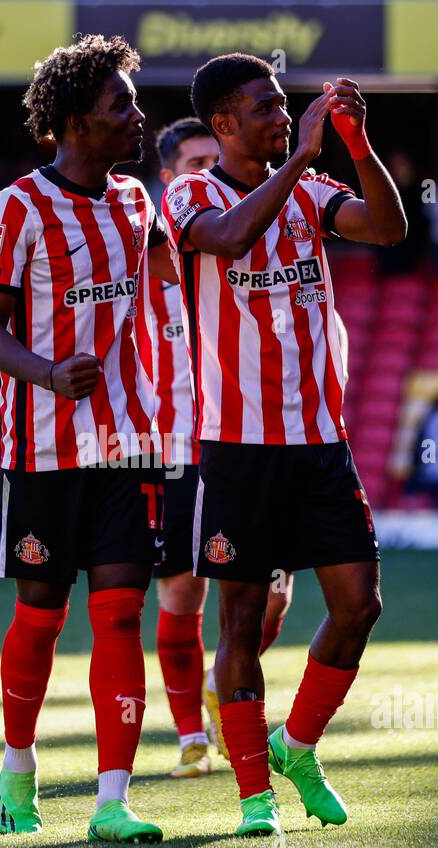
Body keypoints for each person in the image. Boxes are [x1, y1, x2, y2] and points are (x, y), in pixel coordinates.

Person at [161, 54, 405, 836]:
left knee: (359, 604)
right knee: (238, 623)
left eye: (283, 107)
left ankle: (297, 746)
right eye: (266, 108)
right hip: (237, 444)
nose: (280, 117)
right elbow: (230, 239)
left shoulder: (308, 189)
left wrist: (358, 148)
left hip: (318, 440)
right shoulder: (191, 192)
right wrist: (301, 152)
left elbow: (389, 229)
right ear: (224, 124)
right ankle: (254, 796)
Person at [0, 34, 180, 844]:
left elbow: (179, 273)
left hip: (127, 445)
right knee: (41, 619)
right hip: (45, 448)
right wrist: (51, 372)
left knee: (122, 614)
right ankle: (18, 766)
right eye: (118, 106)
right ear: (69, 124)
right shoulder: (18, 206)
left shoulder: (136, 201)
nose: (136, 117)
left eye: (131, 100)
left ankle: (112, 799)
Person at [146, 116, 293, 779]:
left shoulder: (261, 243)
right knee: (183, 593)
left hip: (255, 437)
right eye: (198, 163)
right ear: (170, 177)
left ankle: (219, 683)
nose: (213, 173)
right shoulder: (147, 253)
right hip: (178, 444)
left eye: (219, 161)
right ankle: (191, 738)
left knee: (273, 598)